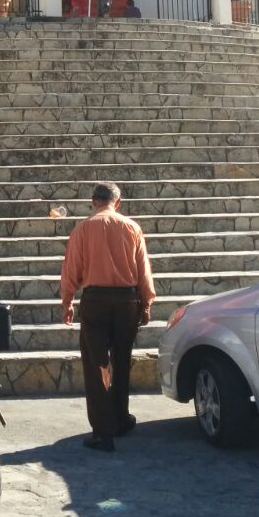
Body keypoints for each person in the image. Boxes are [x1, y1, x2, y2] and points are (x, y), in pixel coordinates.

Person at [60, 181, 155, 452]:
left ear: (93, 202)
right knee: (122, 361)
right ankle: (120, 419)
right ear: (118, 202)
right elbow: (143, 269)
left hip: (95, 302)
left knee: (97, 365)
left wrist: (67, 301)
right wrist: (146, 302)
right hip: (127, 302)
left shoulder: (82, 229)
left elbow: (71, 269)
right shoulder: (131, 227)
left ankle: (103, 432)